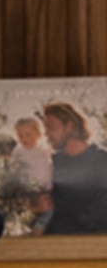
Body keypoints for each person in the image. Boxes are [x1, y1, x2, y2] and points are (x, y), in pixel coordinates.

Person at [39, 101, 107, 237]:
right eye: (45, 128)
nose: (46, 134)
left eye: (51, 127)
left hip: (94, 244)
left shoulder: (101, 160)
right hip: (55, 243)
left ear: (70, 127)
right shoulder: (54, 162)